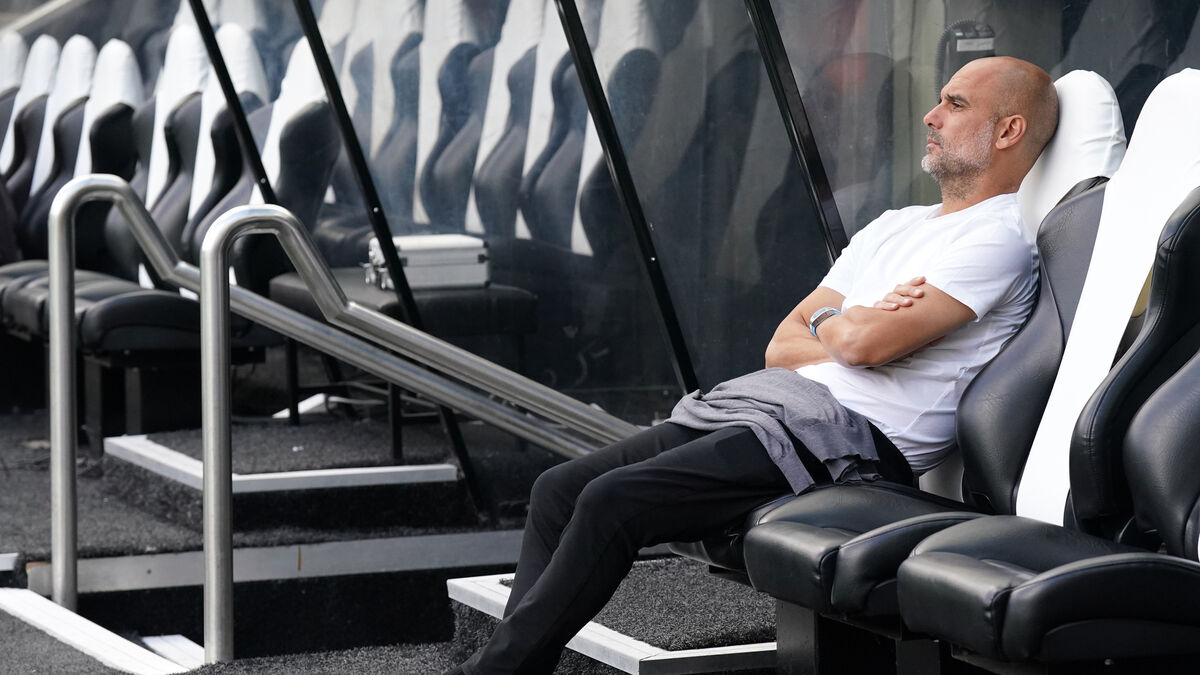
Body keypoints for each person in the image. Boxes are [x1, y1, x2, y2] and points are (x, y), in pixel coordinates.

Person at [448, 55, 1059, 675]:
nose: (931, 116)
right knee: (557, 490)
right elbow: (782, 346)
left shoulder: (995, 240)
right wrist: (850, 321)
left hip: (849, 439)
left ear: (1008, 131)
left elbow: (860, 347)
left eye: (956, 104)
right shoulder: (894, 226)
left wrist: (841, 320)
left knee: (613, 500)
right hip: (777, 406)